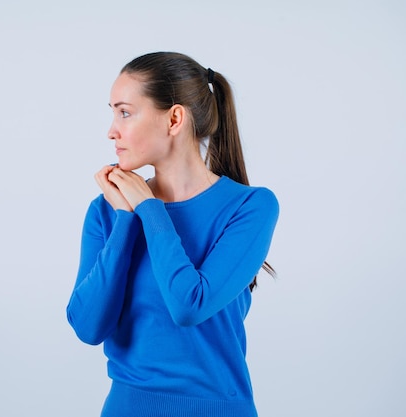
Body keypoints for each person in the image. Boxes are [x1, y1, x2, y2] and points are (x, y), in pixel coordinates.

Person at [66, 51, 279, 417]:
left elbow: (189, 304)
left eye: (125, 112)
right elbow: (88, 326)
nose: (111, 130)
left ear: (175, 118)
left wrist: (150, 210)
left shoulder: (250, 207)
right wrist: (125, 220)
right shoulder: (107, 211)